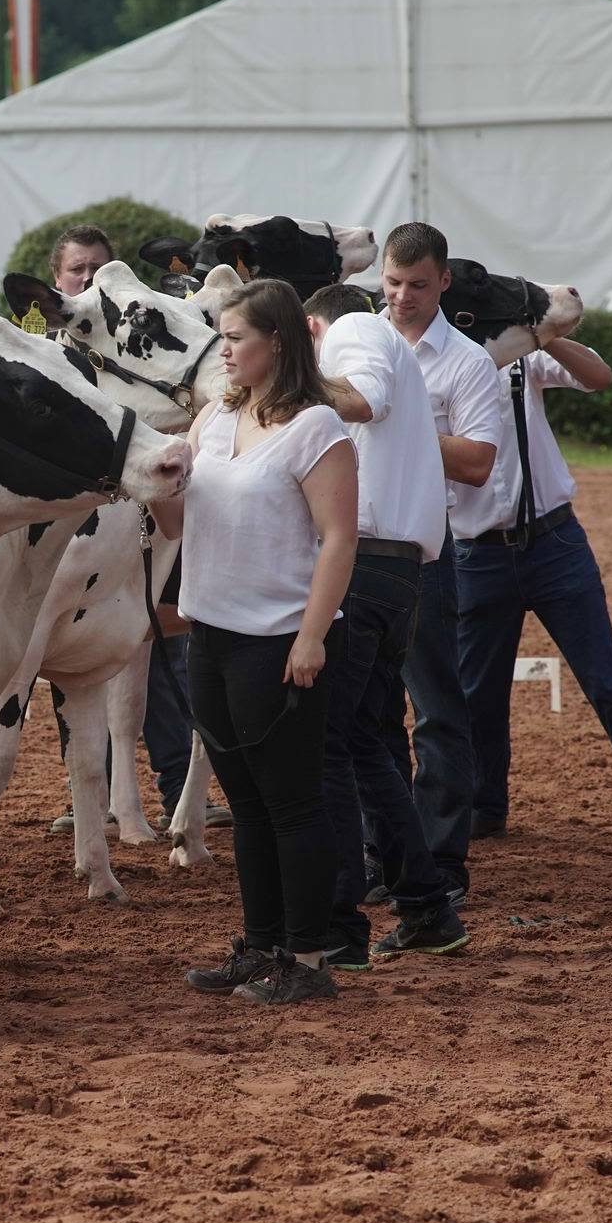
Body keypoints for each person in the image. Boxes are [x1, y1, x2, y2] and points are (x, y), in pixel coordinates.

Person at [149, 278, 358, 1004]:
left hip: (278, 639)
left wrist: (311, 636)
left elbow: (339, 539)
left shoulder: (317, 427)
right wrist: (160, 484)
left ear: (278, 340)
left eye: (236, 337)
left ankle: (310, 959)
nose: (225, 350)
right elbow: (179, 525)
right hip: (209, 633)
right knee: (245, 800)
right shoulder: (213, 417)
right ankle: (263, 944)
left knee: (291, 801)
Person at [453, 335, 612, 853]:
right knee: (477, 694)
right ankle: (485, 807)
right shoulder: (427, 362)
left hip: (554, 542)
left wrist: (542, 329)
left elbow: (598, 376)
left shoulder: (519, 348)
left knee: (609, 683)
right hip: (476, 553)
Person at [300, 282, 469, 968]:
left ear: (311, 326)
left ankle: (340, 926)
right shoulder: (376, 341)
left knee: (329, 745)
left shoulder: (352, 331)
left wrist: (286, 380)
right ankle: (426, 907)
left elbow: (365, 399)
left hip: (365, 565)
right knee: (365, 743)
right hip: (395, 569)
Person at [37, 224, 221, 834]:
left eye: (98, 269)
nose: (88, 279)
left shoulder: (139, 349)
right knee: (72, 656)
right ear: (56, 282)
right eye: (77, 271)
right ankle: (90, 797)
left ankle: (171, 787)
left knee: (157, 642)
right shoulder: (48, 364)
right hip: (79, 528)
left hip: (150, 518)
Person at [381, 222, 511, 898]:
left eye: (418, 285)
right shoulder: (357, 343)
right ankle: (383, 855)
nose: (402, 297)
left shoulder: (467, 362)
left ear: (445, 282)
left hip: (427, 549)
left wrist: (400, 425)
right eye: (392, 282)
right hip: (354, 548)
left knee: (435, 709)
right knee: (368, 713)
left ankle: (441, 861)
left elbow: (479, 462)